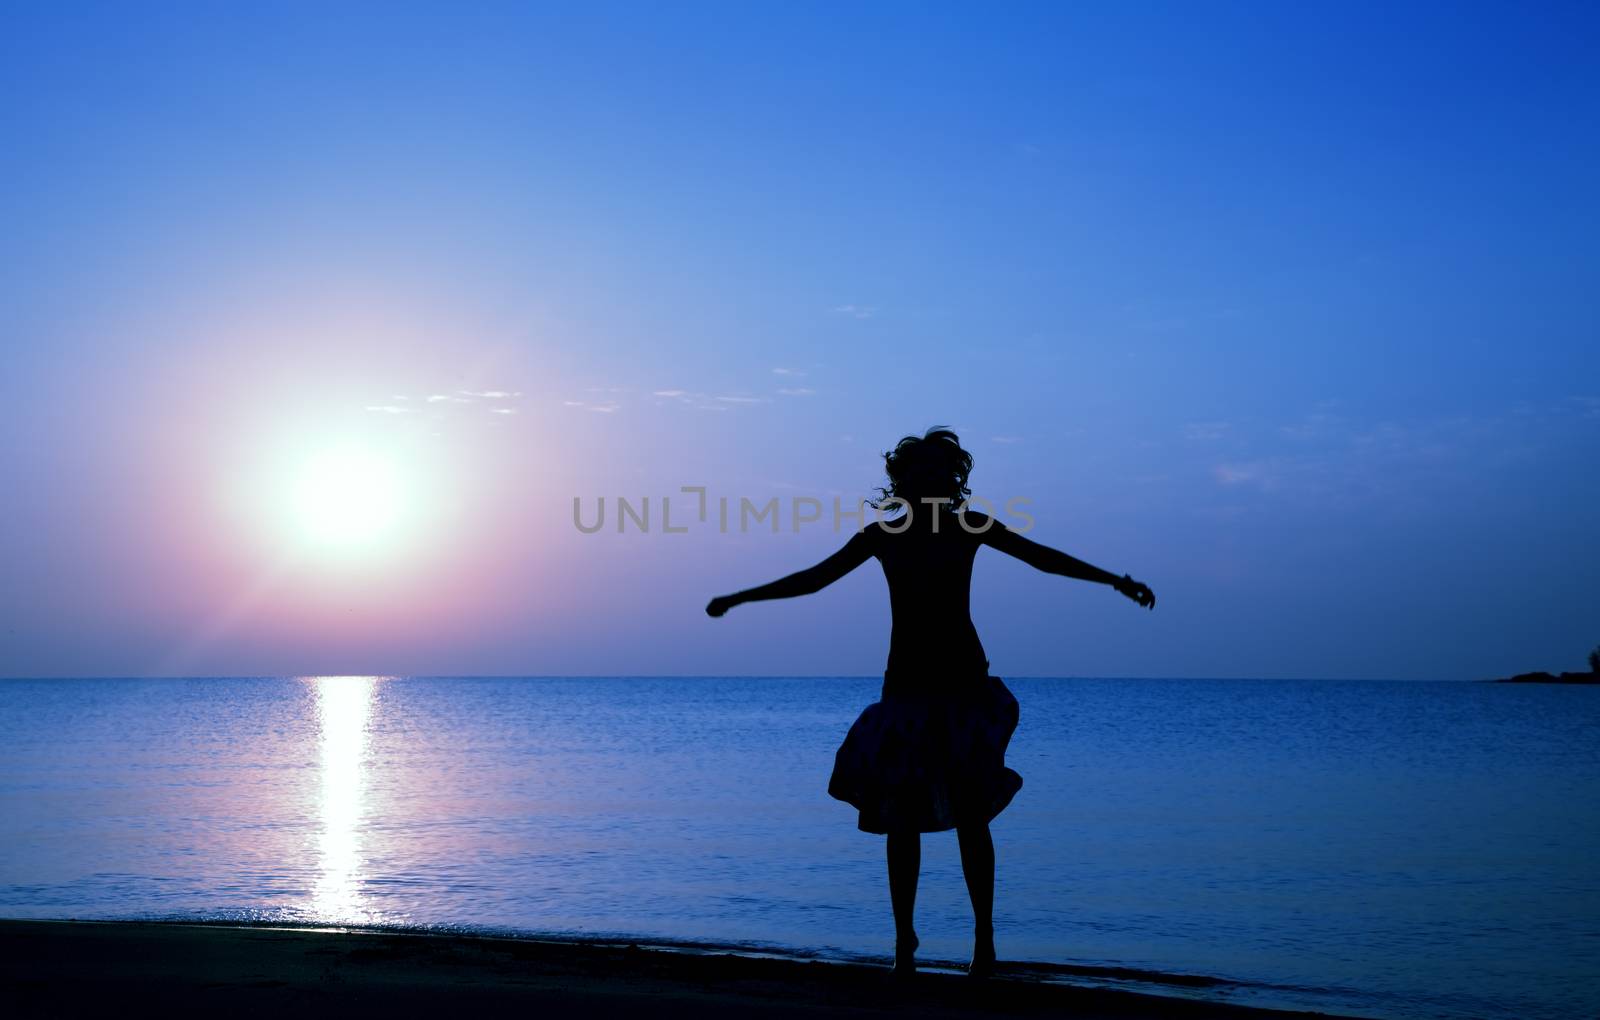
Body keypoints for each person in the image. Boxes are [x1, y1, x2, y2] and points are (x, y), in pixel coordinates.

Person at [705, 428, 1155, 979]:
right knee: (902, 818)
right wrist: (741, 597)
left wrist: (1115, 581)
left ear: (954, 478)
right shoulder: (882, 535)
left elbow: (1041, 558)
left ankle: (984, 941)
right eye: (920, 471)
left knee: (971, 816)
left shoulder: (970, 526)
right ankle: (903, 942)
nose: (931, 479)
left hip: (965, 685)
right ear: (902, 479)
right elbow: (815, 579)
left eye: (942, 470)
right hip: (907, 688)